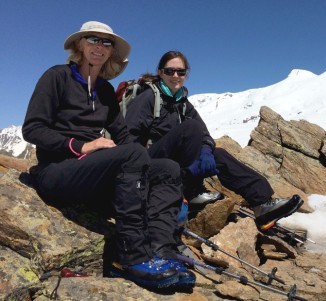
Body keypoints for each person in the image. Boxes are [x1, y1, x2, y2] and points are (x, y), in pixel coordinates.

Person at [22, 21, 195, 290]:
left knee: (168, 168)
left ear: (111, 51)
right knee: (135, 156)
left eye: (106, 43)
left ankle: (162, 249)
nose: (99, 47)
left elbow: (123, 135)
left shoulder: (104, 90)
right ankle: (129, 257)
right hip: (56, 172)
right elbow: (33, 129)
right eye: (93, 40)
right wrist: (80, 146)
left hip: (90, 175)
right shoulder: (56, 77)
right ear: (79, 44)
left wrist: (153, 178)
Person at [124, 50, 303, 231]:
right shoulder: (148, 98)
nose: (175, 76)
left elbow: (205, 135)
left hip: (176, 166)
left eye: (181, 72)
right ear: (161, 72)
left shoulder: (184, 104)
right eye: (169, 71)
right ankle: (192, 193)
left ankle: (262, 203)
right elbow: (126, 136)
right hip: (149, 165)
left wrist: (206, 150)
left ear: (186, 74)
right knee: (191, 128)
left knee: (219, 154)